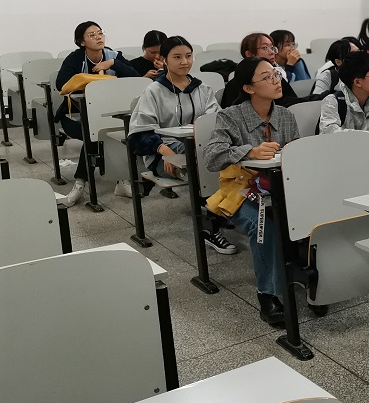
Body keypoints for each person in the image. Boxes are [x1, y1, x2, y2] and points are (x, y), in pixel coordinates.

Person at [202, 57, 300, 326]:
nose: (276, 81)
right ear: (248, 88)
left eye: (276, 74)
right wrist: (249, 152)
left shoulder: (285, 116)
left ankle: (314, 281)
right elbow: (211, 156)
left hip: (282, 188)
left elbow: (298, 154)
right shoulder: (231, 117)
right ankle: (267, 295)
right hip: (242, 191)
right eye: (267, 77)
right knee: (264, 225)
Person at [127, 36, 235, 255]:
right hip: (163, 155)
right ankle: (210, 228)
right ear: (164, 60)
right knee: (202, 165)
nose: (184, 62)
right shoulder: (153, 91)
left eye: (188, 56)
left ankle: (219, 210)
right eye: (177, 57)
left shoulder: (203, 89)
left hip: (198, 150)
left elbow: (217, 123)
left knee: (216, 157)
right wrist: (165, 152)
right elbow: (139, 134)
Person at [55, 21, 140, 206]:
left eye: (100, 33)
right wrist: (92, 81)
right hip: (74, 117)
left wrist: (114, 64)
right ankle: (80, 184)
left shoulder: (112, 55)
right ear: (82, 42)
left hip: (108, 114)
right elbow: (61, 84)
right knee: (93, 135)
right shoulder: (75, 59)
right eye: (92, 35)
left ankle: (120, 181)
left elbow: (135, 77)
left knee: (117, 130)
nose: (98, 37)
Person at [219, 32, 301, 109]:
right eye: (265, 48)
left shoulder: (277, 77)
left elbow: (294, 101)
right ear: (249, 54)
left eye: (272, 48)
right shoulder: (235, 85)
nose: (272, 52)